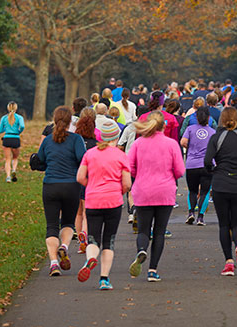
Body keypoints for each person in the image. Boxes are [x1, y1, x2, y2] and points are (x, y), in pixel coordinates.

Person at [127, 111, 186, 282]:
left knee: (144, 229)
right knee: (159, 232)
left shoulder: (138, 143)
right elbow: (180, 170)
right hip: (165, 191)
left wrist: (140, 174)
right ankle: (152, 270)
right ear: (164, 126)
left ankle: (141, 249)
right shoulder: (171, 144)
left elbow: (129, 167)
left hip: (143, 190)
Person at [76, 118, 132, 290]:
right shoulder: (121, 156)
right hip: (113, 201)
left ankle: (90, 258)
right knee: (109, 240)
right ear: (115, 137)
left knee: (93, 237)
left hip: (93, 200)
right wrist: (119, 191)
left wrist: (91, 186)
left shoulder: (89, 154)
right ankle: (104, 279)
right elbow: (127, 183)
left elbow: (79, 177)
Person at [204, 107, 237, 276]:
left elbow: (207, 161)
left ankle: (228, 262)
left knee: (224, 224)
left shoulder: (216, 137)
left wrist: (214, 170)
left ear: (221, 120)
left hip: (221, 184)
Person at [36, 106, 87, 276]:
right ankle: (64, 246)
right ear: (70, 121)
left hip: (50, 185)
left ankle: (53, 263)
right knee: (67, 222)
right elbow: (83, 160)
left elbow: (40, 161)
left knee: (51, 225)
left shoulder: (48, 140)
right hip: (71, 186)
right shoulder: (76, 139)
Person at [181, 107, 215, 225]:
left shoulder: (190, 129)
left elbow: (183, 142)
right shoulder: (212, 132)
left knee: (193, 191)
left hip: (192, 164)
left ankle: (191, 213)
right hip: (207, 165)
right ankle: (200, 217)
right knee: (205, 192)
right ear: (209, 118)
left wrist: (190, 147)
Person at [74, 107, 98, 253]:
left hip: (74, 178)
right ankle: (85, 234)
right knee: (86, 212)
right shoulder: (95, 145)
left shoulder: (74, 142)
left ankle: (79, 240)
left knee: (77, 212)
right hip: (89, 180)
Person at [0, 101, 25, 183]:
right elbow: (22, 126)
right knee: (15, 157)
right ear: (16, 108)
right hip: (16, 138)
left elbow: (0, 130)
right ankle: (14, 169)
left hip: (6, 138)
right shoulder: (19, 117)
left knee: (7, 159)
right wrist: (18, 131)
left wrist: (6, 129)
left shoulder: (3, 118)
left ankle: (8, 177)